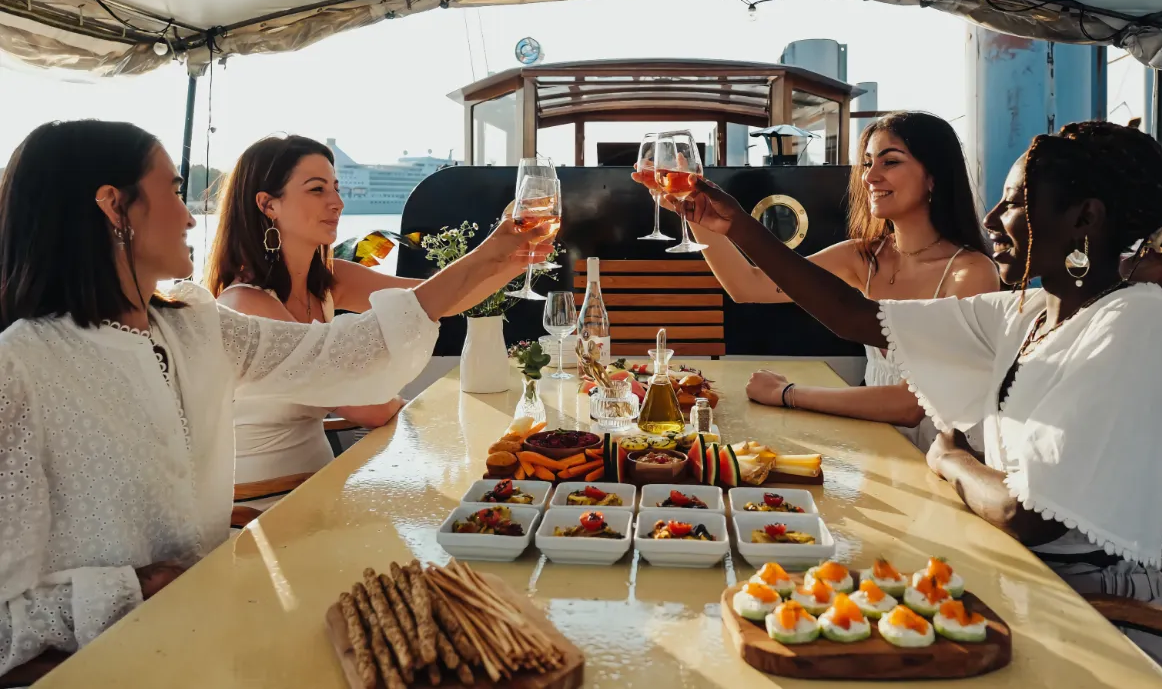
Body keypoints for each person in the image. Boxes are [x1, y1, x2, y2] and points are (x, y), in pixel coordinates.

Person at [654, 120, 1162, 686]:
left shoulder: (1139, 320)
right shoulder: (1029, 310)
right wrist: (735, 224)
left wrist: (950, 460)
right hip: (1006, 574)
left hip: (1093, 619)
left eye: (1015, 204)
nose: (992, 221)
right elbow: (856, 316)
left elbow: (1025, 514)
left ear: (1085, 218)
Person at [0, 120, 549, 678]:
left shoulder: (199, 328)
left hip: (211, 629)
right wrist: (127, 589)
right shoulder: (17, 369)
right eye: (172, 191)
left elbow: (346, 350)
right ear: (114, 206)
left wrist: (500, 253)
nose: (191, 215)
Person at [665, 112, 999, 451]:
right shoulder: (863, 257)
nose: (870, 176)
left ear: (934, 177)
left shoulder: (970, 273)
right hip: (879, 449)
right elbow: (747, 286)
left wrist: (787, 393)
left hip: (946, 462)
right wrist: (698, 216)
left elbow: (911, 405)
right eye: (867, 163)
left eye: (890, 162)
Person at [205, 136, 455, 490]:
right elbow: (371, 409)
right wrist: (437, 412)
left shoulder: (327, 281)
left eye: (335, 188)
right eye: (317, 189)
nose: (337, 202)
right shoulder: (247, 304)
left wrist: (515, 258)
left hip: (317, 489)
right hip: (261, 512)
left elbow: (437, 297)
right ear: (268, 204)